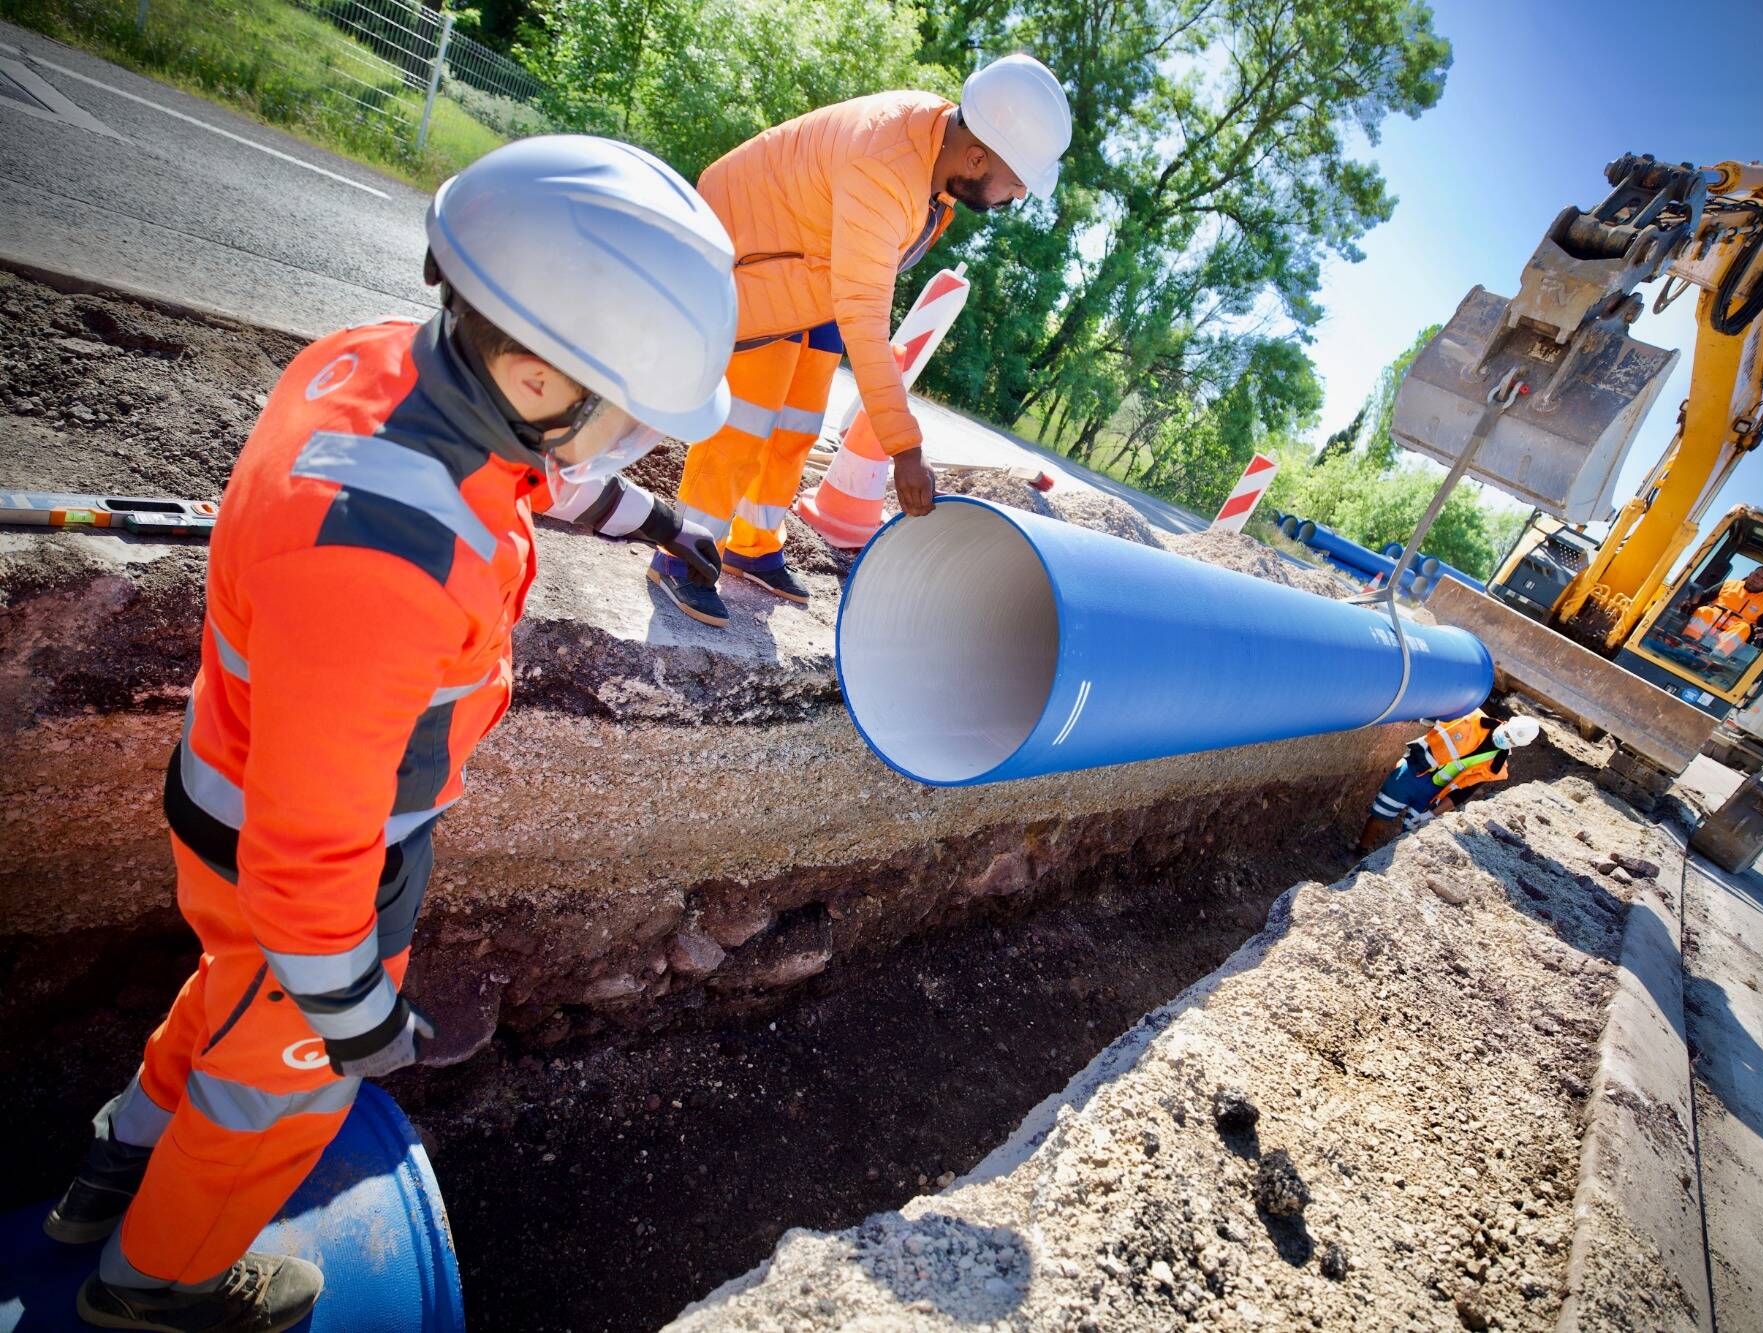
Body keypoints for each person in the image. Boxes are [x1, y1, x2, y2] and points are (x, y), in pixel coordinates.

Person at [43, 135, 739, 1332]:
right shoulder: (386, 563)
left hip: (223, 794)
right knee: (278, 1092)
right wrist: (352, 1008)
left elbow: (535, 468)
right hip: (308, 877)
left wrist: (652, 514)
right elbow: (309, 853)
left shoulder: (380, 360)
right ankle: (158, 1281)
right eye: (631, 421)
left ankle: (113, 1169)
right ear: (534, 376)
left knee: (224, 997)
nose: (632, 442)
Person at [652, 53, 1073, 626]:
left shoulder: (935, 148)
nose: (1017, 197)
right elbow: (866, 321)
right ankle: (685, 556)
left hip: (815, 267)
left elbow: (862, 280)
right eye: (1017, 182)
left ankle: (753, 544)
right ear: (977, 157)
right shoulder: (887, 165)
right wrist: (906, 449)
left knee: (795, 428)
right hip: (758, 254)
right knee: (745, 423)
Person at [1355, 712, 1543, 853]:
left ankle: (1383, 864)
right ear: (1506, 722)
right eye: (1507, 733)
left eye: (1511, 740)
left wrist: (1432, 813)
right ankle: (1360, 851)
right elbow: (1432, 716)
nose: (1505, 739)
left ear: (1517, 746)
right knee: (1381, 814)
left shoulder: (1495, 767)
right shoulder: (1471, 717)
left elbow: (1463, 792)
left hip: (1434, 793)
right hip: (1412, 772)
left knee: (1410, 834)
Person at [1677, 563, 1763, 658]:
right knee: (1705, 610)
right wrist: (1686, 601)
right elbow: (1702, 598)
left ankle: (1717, 656)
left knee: (1744, 627)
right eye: (1756, 575)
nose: (1757, 579)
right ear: (1751, 574)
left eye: (1762, 579)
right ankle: (1687, 641)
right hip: (1709, 624)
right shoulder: (1728, 584)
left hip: (1733, 637)